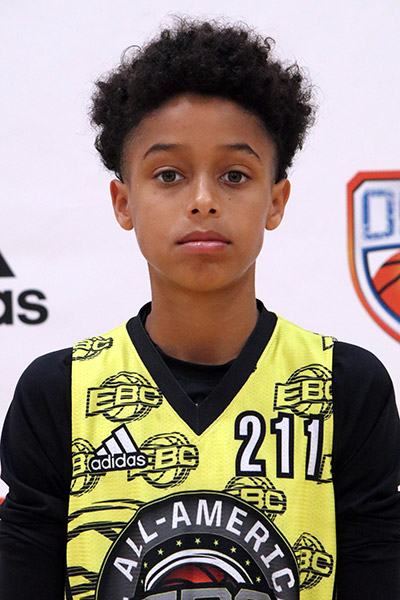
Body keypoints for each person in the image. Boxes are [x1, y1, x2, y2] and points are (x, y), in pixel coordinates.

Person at [0, 18, 399, 600]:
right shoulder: (58, 393)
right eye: (169, 175)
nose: (204, 200)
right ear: (123, 201)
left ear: (276, 200)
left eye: (235, 175)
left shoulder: (347, 387)